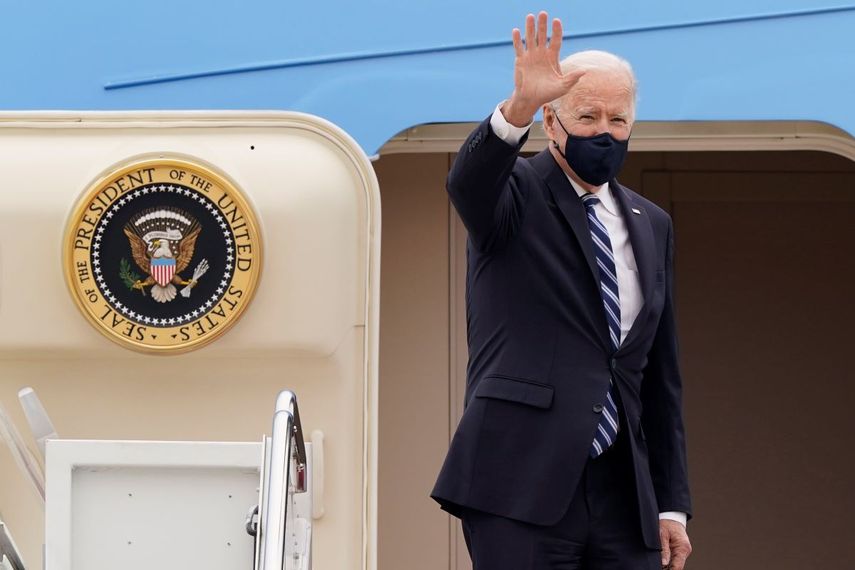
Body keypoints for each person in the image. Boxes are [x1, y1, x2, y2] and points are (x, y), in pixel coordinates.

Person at [431, 11, 693, 570]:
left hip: (626, 491)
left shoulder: (653, 222)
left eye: (618, 119)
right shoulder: (513, 194)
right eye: (587, 116)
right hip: (520, 482)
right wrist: (518, 105)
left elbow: (658, 377)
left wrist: (671, 504)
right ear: (553, 123)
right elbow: (467, 182)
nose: (604, 131)